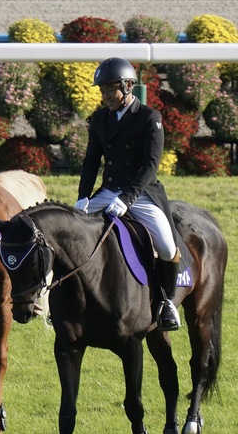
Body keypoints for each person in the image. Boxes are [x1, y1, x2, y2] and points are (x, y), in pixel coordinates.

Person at [75, 57, 181, 332]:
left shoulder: (149, 118)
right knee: (71, 231)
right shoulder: (99, 119)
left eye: (111, 89)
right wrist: (83, 197)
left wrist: (126, 199)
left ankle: (166, 301)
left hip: (141, 193)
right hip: (108, 190)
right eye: (103, 90)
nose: (106, 95)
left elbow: (150, 166)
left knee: (168, 248)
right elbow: (90, 162)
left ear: (128, 85)